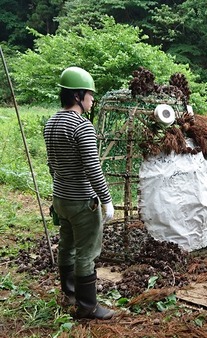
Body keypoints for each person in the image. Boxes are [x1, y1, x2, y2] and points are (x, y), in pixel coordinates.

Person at [44, 66, 115, 320]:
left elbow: (52, 164)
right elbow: (93, 168)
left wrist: (61, 186)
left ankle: (69, 292)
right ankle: (87, 307)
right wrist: (106, 200)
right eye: (89, 94)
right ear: (77, 96)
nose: (92, 99)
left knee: (67, 245)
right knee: (87, 252)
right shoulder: (81, 126)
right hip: (82, 201)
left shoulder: (51, 122)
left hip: (61, 199)